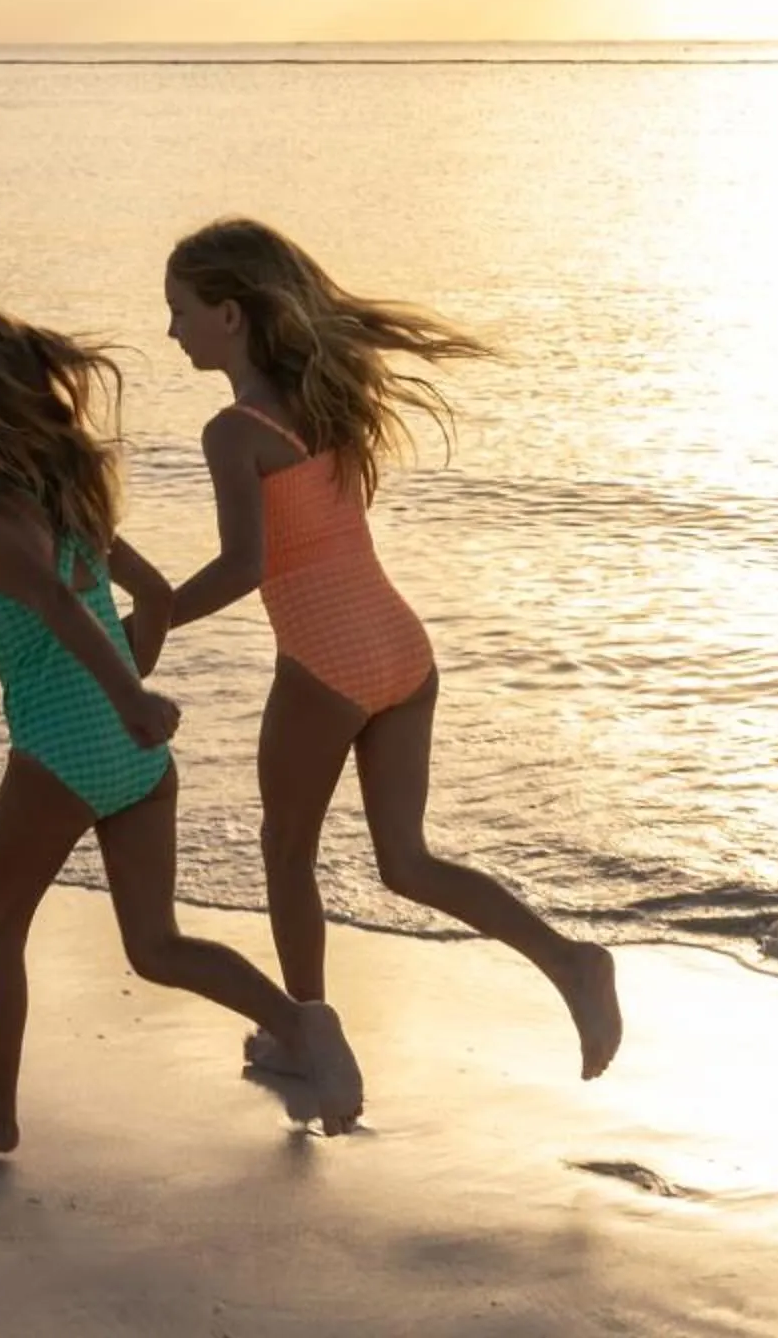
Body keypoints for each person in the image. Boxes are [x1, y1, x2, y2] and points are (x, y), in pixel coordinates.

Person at [158, 221, 621, 1080]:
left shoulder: (235, 431)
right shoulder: (329, 403)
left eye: (180, 310)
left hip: (325, 661)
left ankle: (305, 1036)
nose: (171, 330)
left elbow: (245, 566)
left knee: (287, 853)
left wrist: (151, 622)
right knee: (407, 862)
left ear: (229, 314)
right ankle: (571, 962)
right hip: (404, 652)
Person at [0, 309, 365, 1150]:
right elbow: (153, 598)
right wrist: (132, 685)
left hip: (62, 750)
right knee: (156, 945)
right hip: (137, 762)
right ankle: (300, 1023)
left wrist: (126, 698)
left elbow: (55, 604)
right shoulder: (71, 501)